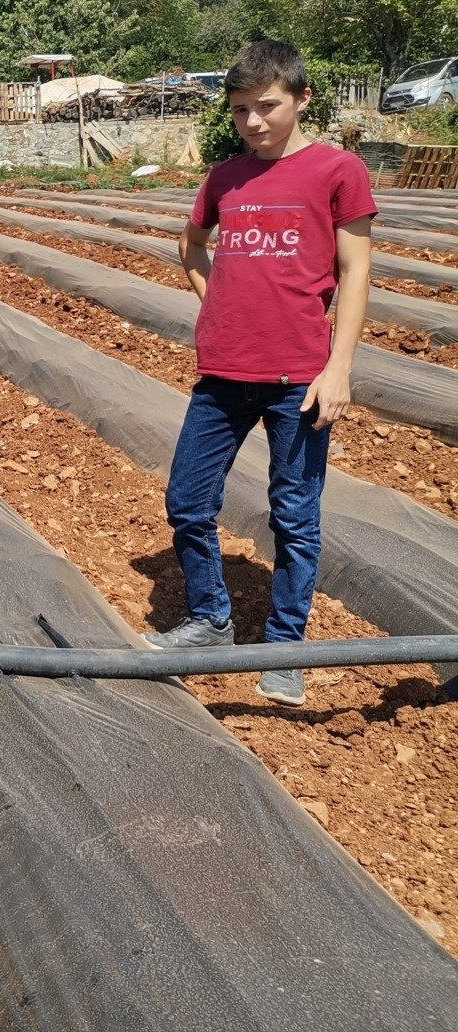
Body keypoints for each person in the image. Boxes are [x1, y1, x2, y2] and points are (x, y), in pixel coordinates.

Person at [146, 39, 375, 708]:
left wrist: (339, 368)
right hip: (223, 372)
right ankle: (212, 620)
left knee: (294, 515)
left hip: (300, 377)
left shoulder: (338, 170)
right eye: (240, 109)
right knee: (188, 500)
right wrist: (216, 299)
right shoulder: (224, 178)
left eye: (266, 106)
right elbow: (190, 246)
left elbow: (357, 270)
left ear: (302, 99)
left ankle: (284, 647)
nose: (252, 122)